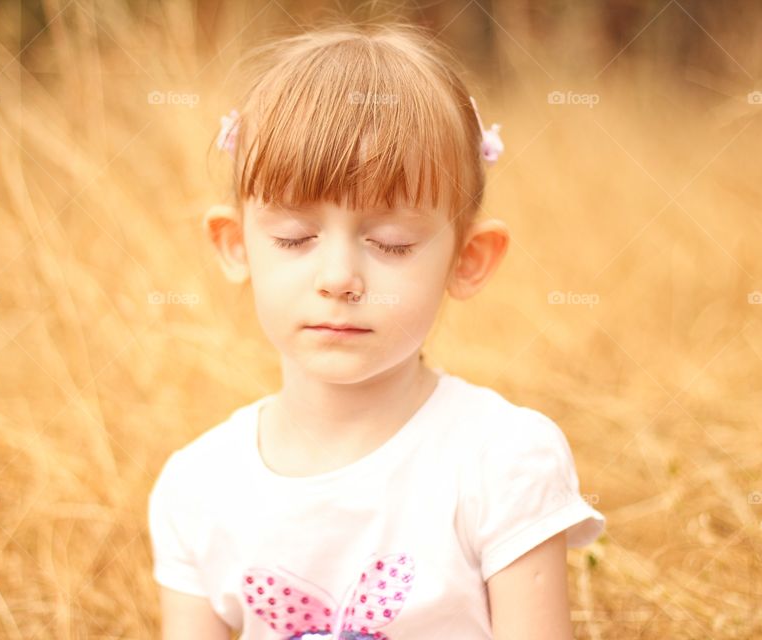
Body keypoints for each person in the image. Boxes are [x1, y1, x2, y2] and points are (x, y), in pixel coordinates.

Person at [148, 21, 605, 640]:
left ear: (467, 259)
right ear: (236, 246)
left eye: (391, 242)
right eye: (294, 237)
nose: (339, 278)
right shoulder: (197, 487)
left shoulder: (500, 460)